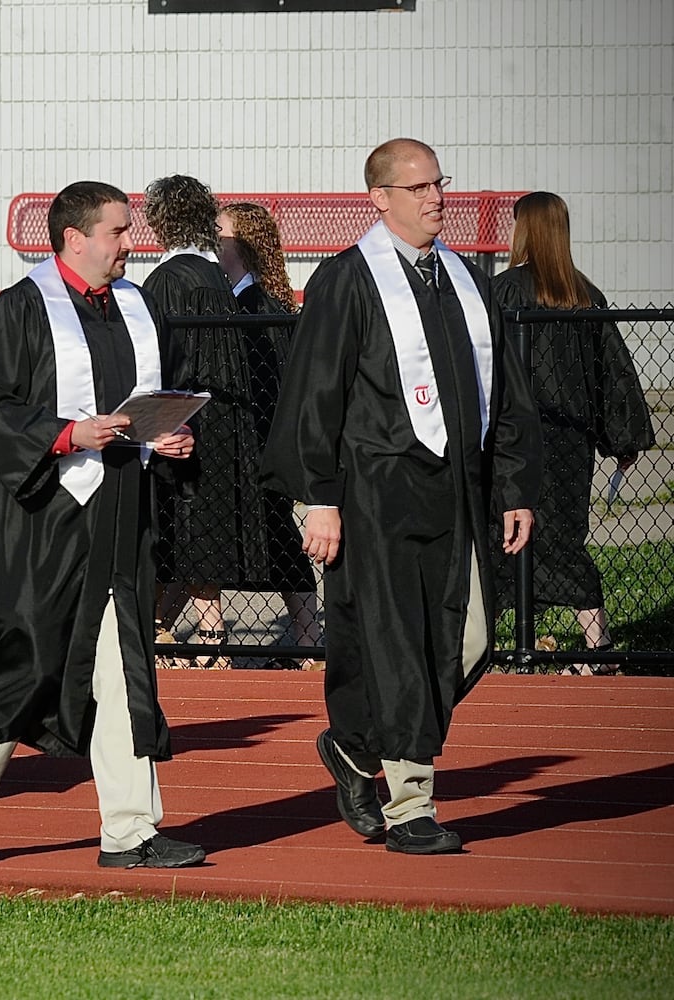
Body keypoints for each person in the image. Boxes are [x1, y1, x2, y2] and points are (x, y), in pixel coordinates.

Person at [260, 138, 541, 854]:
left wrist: (512, 483)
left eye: (438, 184)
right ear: (377, 199)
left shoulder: (465, 280)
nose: (435, 198)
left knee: (471, 638)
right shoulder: (347, 280)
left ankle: (356, 747)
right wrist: (317, 498)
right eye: (416, 188)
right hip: (376, 497)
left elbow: (502, 391)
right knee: (398, 649)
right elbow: (312, 396)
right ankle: (410, 806)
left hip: (460, 495)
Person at [0, 181, 205, 870]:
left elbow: (148, 400)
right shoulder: (22, 310)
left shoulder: (137, 307)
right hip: (43, 519)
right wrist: (63, 434)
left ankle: (129, 831)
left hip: (122, 512)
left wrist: (163, 439)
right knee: (24, 664)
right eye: (116, 232)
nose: (129, 244)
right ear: (73, 239)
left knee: (123, 672)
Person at [491, 191, 654, 673]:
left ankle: (479, 643)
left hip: (515, 440)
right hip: (569, 441)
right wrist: (622, 437)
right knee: (562, 537)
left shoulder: (505, 291)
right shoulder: (585, 293)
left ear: (525, 229)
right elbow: (614, 374)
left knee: (502, 532)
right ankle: (596, 645)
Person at [140, 174, 247, 669]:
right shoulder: (215, 280)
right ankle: (177, 629)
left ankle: (205, 633)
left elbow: (159, 359)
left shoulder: (165, 281)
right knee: (198, 528)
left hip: (181, 420)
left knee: (178, 526)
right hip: (224, 418)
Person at [215, 202, 320, 667]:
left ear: (243, 244)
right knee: (271, 535)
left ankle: (308, 637)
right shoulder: (243, 301)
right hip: (255, 438)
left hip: (260, 438)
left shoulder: (255, 306)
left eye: (220, 233)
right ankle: (306, 636)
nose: (213, 242)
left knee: (277, 534)